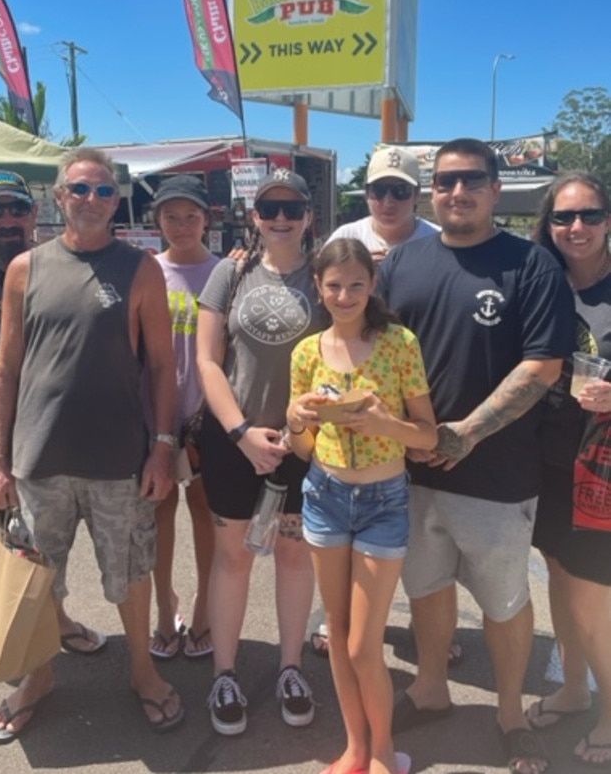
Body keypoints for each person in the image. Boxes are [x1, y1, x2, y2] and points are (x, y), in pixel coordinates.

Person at [376, 138, 575, 774]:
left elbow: (544, 365)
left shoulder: (531, 266)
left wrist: (467, 433)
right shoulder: (402, 263)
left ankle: (511, 712)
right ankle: (430, 690)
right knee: (427, 589)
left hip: (498, 475)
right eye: (446, 180)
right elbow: (375, 354)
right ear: (432, 189)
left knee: (505, 601)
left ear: (494, 189)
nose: (457, 191)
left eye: (472, 180)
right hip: (410, 472)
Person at [0, 147, 183, 742]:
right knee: (36, 581)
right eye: (79, 189)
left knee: (130, 575)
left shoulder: (140, 268)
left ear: (116, 201)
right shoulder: (27, 268)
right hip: (39, 461)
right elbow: (6, 368)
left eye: (102, 191)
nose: (91, 200)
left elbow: (162, 368)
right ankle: (38, 678)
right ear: (59, 197)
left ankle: (142, 672)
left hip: (119, 462)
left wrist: (163, 447)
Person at [286, 238, 437, 774]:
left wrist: (381, 423)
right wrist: (297, 419)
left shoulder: (399, 343)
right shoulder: (305, 353)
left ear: (372, 286)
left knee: (361, 645)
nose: (345, 295)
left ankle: (381, 751)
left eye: (356, 284)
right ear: (319, 288)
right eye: (334, 285)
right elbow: (302, 448)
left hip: (383, 500)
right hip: (324, 498)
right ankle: (353, 746)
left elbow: (426, 436)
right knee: (338, 629)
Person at [0, 169, 105, 688]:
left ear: (34, 213)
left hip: (49, 441)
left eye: (16, 209)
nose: (6, 219)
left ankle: (57, 623)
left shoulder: (52, 268)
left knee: (42, 548)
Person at [196, 168, 324, 735]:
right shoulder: (231, 271)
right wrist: (241, 432)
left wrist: (299, 435)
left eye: (291, 208)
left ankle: (290, 666)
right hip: (234, 440)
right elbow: (207, 359)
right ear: (254, 215)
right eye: (269, 208)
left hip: (303, 444)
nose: (279, 218)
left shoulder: (326, 275)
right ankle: (225, 673)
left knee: (296, 556)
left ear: (307, 216)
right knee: (234, 557)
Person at [527, 172, 611, 768]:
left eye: (589, 215)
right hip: (551, 456)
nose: (576, 228)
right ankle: (574, 686)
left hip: (603, 467)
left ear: (608, 220)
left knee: (592, 590)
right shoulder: (544, 282)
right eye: (564, 218)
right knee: (558, 572)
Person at [149, 174, 217, 661]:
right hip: (157, 417)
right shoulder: (146, 271)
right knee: (159, 514)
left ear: (206, 220)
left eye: (190, 215)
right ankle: (162, 608)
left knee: (204, 513)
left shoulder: (225, 273)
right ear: (157, 221)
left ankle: (203, 609)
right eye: (171, 216)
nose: (181, 224)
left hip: (208, 417)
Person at [328, 146, 438, 265]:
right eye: (379, 190)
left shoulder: (438, 241)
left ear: (417, 194)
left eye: (400, 191)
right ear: (367, 193)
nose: (388, 202)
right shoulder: (345, 237)